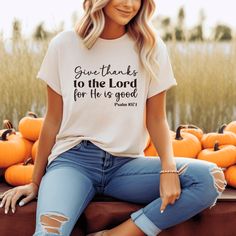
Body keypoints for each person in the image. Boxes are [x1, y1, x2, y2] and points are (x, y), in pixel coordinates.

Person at [0, 0, 227, 235]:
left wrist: (168, 169)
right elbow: (52, 120)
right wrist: (35, 182)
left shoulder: (151, 47)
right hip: (72, 162)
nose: (130, 4)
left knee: (210, 179)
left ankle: (119, 233)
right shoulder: (64, 45)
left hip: (126, 165)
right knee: (49, 232)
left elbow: (157, 119)